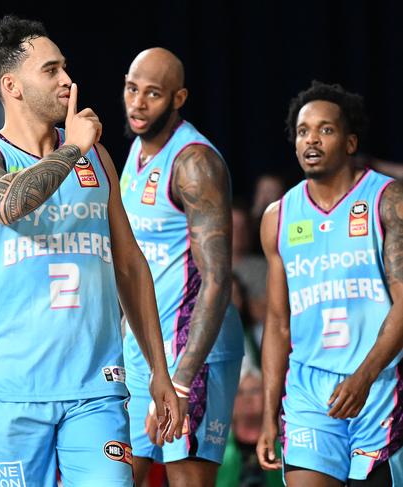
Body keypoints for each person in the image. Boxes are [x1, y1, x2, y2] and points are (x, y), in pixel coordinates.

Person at [0, 16, 183, 487]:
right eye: (51, 70)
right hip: (13, 394)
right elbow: (12, 204)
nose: (67, 81)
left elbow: (130, 266)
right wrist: (73, 149)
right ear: (12, 85)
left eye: (65, 68)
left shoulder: (97, 158)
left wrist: (160, 371)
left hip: (96, 391)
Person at [257, 80, 403, 486]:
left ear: (351, 141)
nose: (312, 140)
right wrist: (270, 413)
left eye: (326, 129)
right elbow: (277, 323)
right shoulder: (278, 217)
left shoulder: (387, 201)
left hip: (379, 384)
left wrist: (365, 375)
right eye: (303, 131)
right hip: (308, 391)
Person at [119, 47, 245, 487]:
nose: (137, 102)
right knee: (117, 475)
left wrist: (183, 380)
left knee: (186, 479)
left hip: (193, 353)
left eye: (152, 93)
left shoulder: (195, 163)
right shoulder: (134, 155)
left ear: (178, 98)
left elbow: (216, 279)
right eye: (132, 88)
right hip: (143, 351)